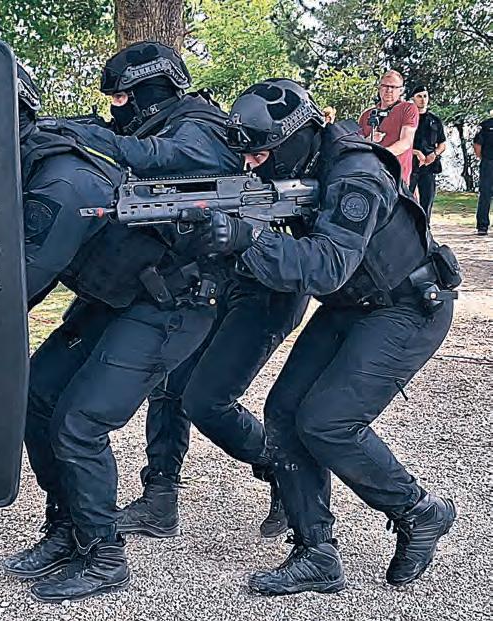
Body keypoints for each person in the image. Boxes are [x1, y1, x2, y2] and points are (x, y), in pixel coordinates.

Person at [211, 78, 458, 595]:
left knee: (329, 422)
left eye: (262, 154)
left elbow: (326, 267)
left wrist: (249, 239)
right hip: (354, 303)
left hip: (407, 305)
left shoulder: (356, 175)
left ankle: (420, 510)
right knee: (283, 412)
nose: (252, 164)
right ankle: (316, 553)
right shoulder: (303, 166)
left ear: (295, 139)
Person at [61, 41, 309, 540]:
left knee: (208, 400)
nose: (117, 109)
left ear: (148, 91)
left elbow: (157, 156)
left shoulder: (200, 129)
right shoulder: (178, 123)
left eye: (122, 98)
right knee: (168, 388)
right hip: (217, 280)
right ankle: (160, 497)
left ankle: (285, 473)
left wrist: (71, 133)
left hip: (263, 289)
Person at [2, 64, 231, 602]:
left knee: (79, 422)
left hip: (171, 303)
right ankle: (68, 527)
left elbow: (25, 278)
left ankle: (104, 557)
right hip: (118, 294)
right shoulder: (42, 152)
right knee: (38, 394)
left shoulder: (65, 174)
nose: (115, 108)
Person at [358, 70, 419, 185]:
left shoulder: (408, 108)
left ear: (401, 90)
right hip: (369, 177)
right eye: (385, 86)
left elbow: (406, 142)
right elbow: (358, 144)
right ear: (379, 88)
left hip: (395, 179)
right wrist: (369, 139)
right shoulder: (366, 115)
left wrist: (382, 155)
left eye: (393, 87)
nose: (389, 90)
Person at [409, 85, 447, 219]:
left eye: (425, 96)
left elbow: (442, 144)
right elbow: (401, 142)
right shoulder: (408, 119)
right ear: (413, 99)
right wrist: (415, 152)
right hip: (410, 163)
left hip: (429, 165)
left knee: (427, 201)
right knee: (406, 200)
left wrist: (434, 154)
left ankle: (425, 228)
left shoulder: (435, 120)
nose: (423, 99)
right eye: (419, 96)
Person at [474, 110, 493, 235]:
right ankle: (482, 225)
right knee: (485, 194)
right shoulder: (486, 125)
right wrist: (484, 158)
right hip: (489, 163)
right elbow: (477, 144)